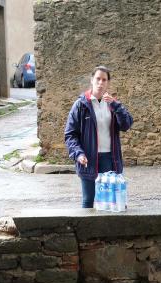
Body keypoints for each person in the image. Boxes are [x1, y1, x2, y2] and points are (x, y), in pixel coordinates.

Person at [64, 66, 134, 208]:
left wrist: (116, 105)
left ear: (108, 83)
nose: (100, 83)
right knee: (88, 201)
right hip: (88, 159)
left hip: (110, 159)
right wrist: (78, 154)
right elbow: (70, 134)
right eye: (98, 79)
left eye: (104, 80)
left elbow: (126, 125)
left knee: (112, 201)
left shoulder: (113, 105)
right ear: (92, 80)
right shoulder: (81, 105)